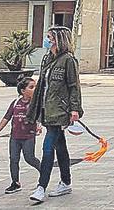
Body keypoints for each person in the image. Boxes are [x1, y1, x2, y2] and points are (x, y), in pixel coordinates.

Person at [26, 26, 83, 205]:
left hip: (60, 111)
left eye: (49, 37)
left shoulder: (68, 60)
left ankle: (41, 187)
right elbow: (42, 86)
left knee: (48, 146)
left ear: (59, 40)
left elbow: (74, 86)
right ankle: (66, 181)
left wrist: (75, 109)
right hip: (46, 110)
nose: (46, 40)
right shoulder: (47, 59)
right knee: (60, 146)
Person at [0, 77, 42, 194]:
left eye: (35, 87)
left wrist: (39, 125)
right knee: (13, 159)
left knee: (30, 158)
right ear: (23, 91)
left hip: (29, 136)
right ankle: (15, 183)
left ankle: (44, 173)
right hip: (14, 137)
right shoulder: (15, 103)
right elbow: (7, 117)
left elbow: (39, 117)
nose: (35, 89)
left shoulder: (35, 104)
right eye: (31, 87)